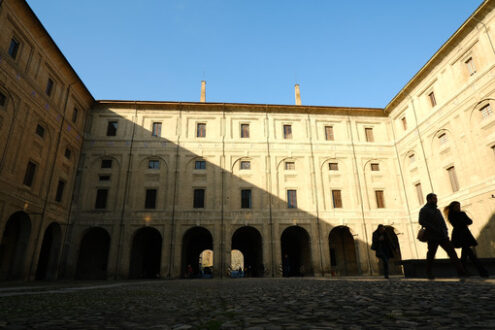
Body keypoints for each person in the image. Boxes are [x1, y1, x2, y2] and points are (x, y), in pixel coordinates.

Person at [419, 193, 466, 279]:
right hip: (432, 236)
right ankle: (428, 272)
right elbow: (421, 221)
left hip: (442, 236)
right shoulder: (424, 210)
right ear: (429, 199)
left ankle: (461, 272)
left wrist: (445, 231)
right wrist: (433, 228)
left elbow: (442, 222)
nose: (436, 200)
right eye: (434, 199)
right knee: (431, 255)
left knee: (452, 252)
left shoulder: (437, 210)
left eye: (436, 198)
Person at [444, 201, 489, 278]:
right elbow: (457, 224)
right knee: (471, 254)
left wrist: (463, 221)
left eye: (459, 206)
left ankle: (463, 272)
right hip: (459, 236)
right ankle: (482, 271)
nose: (459, 208)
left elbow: (470, 221)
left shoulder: (462, 213)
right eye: (457, 206)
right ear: (453, 207)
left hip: (466, 235)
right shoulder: (452, 215)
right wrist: (463, 222)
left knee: (464, 255)